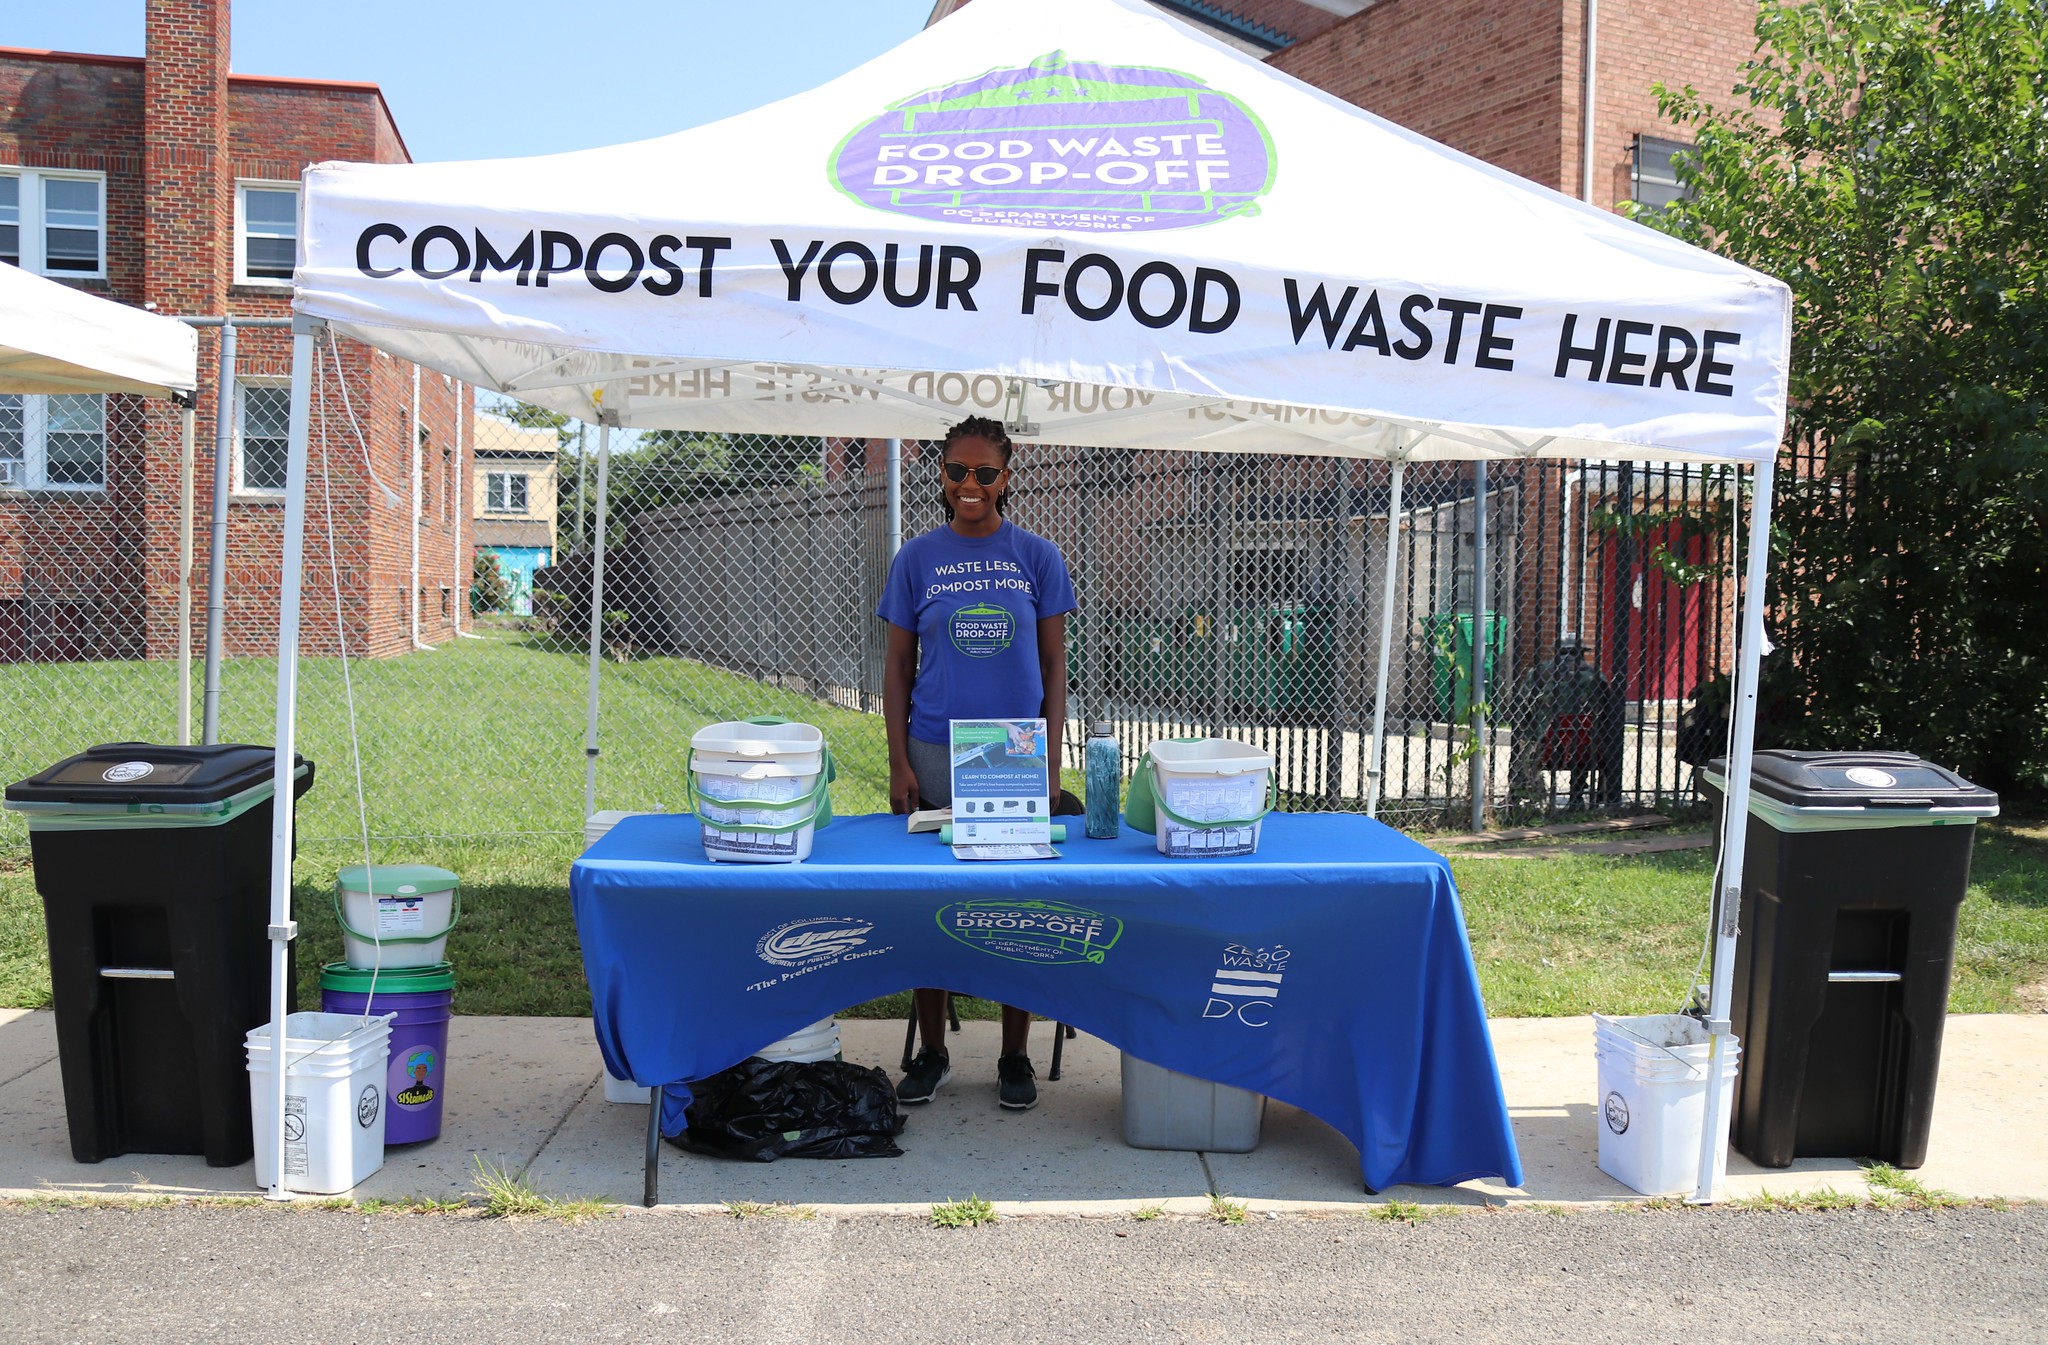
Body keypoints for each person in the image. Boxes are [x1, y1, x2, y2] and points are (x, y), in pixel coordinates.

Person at [877, 415, 1076, 1111]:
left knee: (1015, 904)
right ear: (940, 475)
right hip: (935, 750)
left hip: (1015, 755)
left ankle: (1014, 1054)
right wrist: (899, 759)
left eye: (984, 473)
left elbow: (1054, 666)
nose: (970, 485)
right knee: (933, 901)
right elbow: (898, 667)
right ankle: (932, 1052)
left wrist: (1051, 763)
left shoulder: (1038, 556)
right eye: (957, 471)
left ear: (1006, 478)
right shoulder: (916, 559)